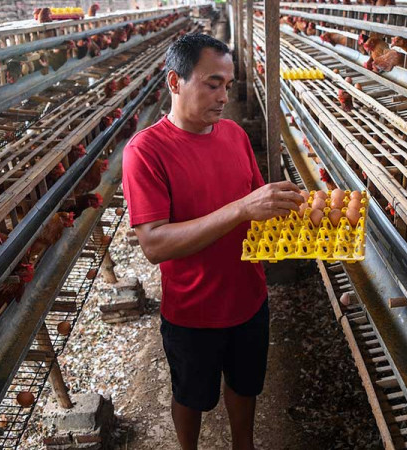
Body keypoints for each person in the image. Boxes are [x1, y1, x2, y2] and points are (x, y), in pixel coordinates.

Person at [122, 33, 303, 450]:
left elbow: (258, 210)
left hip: (249, 298)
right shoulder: (145, 152)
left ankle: (244, 445)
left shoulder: (235, 135)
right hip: (192, 311)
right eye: (212, 83)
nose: (224, 96)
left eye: (228, 85)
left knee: (246, 385)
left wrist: (297, 216)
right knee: (191, 395)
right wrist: (240, 209)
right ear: (174, 82)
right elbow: (155, 244)